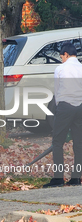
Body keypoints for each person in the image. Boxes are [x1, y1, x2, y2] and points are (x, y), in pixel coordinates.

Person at [43, 42, 82, 188]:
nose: (62, 60)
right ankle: (76, 178)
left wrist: (59, 108)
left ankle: (58, 178)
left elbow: (58, 92)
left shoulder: (60, 69)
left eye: (62, 57)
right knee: (79, 143)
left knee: (57, 142)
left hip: (65, 106)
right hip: (80, 107)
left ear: (65, 54)